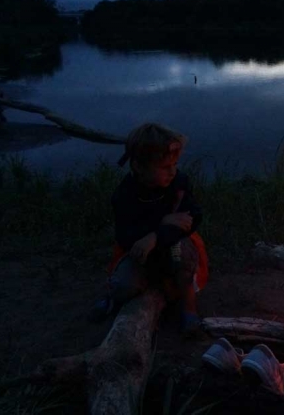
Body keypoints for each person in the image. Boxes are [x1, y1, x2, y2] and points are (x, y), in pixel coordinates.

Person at [88, 123, 207, 334]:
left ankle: (189, 310)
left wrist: (157, 235)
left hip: (174, 243)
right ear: (139, 167)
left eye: (175, 164)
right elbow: (125, 236)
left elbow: (191, 219)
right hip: (140, 252)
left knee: (182, 260)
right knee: (125, 285)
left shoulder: (179, 183)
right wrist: (162, 223)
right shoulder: (125, 194)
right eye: (164, 167)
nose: (172, 171)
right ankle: (111, 298)